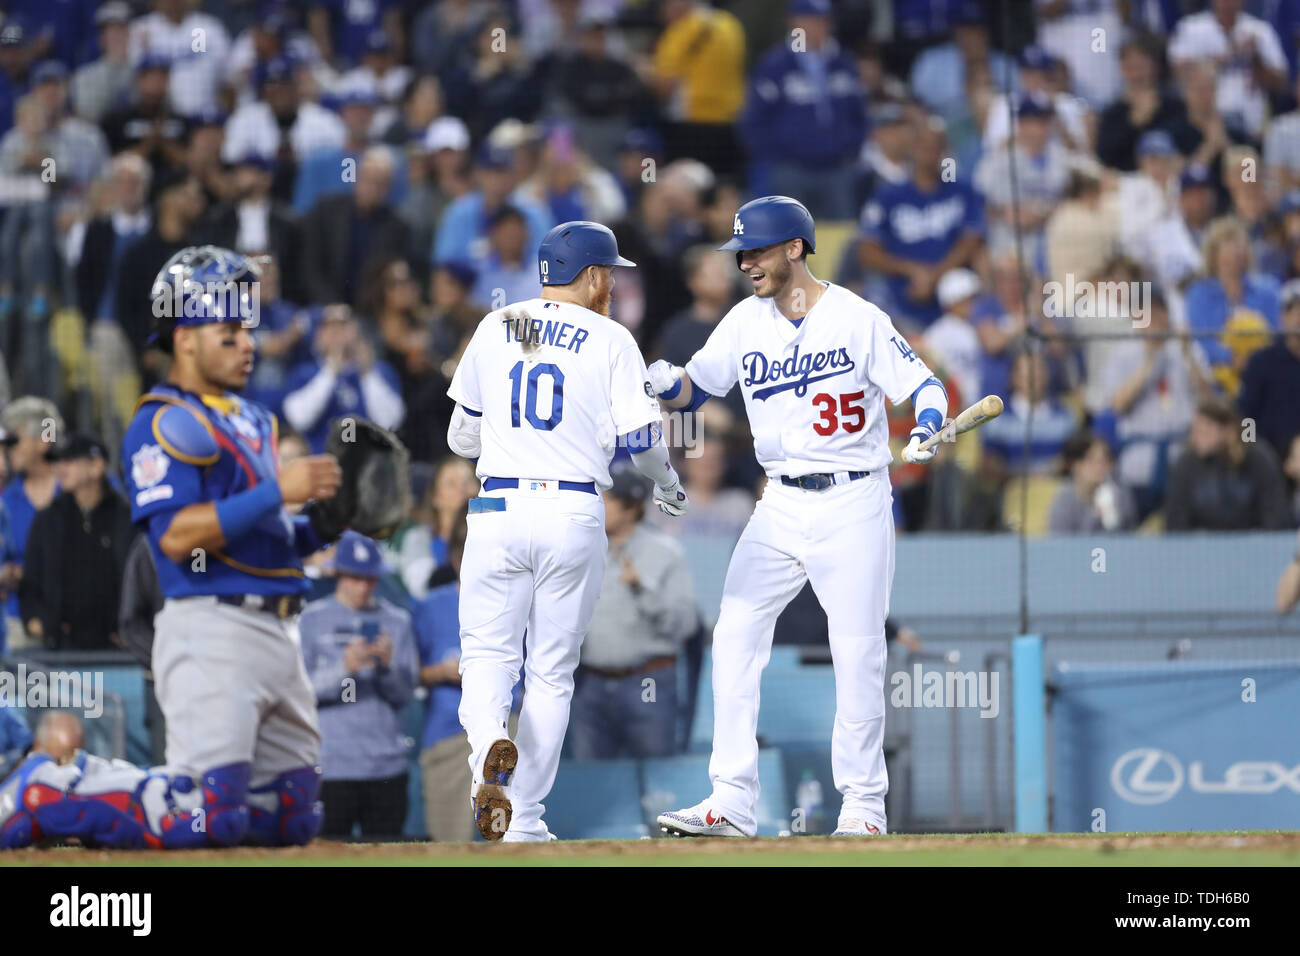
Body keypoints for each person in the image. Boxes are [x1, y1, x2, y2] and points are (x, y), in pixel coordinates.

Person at [1, 246, 348, 852]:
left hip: (277, 627)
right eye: (229, 331)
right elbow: (177, 535)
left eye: (248, 329)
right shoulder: (162, 421)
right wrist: (277, 490)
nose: (248, 344)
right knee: (205, 814)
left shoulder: (254, 420)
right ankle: (52, 789)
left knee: (290, 816)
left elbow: (267, 542)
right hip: (209, 624)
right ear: (184, 338)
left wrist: (330, 521)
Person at [649, 195, 948, 838]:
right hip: (779, 499)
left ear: (794, 248)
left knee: (858, 650)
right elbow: (693, 390)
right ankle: (730, 800)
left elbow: (926, 386)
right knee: (732, 633)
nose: (745, 263)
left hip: (854, 497)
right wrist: (658, 381)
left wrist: (927, 424)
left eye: (755, 250)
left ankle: (864, 808)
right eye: (740, 253)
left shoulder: (856, 317)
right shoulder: (743, 321)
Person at [446, 220, 688, 842]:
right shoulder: (610, 337)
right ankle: (524, 818)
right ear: (589, 275)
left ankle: (488, 753)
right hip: (574, 512)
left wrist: (504, 441)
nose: (612, 282)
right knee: (551, 672)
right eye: (609, 271)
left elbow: (459, 436)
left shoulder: (494, 326)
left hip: (497, 508)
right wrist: (666, 484)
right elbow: (641, 441)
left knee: (487, 657)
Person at [568, 467, 698, 760]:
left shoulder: (666, 553)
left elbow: (685, 624)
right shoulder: (578, 550)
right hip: (590, 683)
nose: (596, 506)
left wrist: (643, 589)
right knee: (591, 779)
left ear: (630, 507)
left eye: (605, 499)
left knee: (657, 781)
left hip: (648, 683)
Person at [299, 531, 418, 841]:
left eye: (370, 579)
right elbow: (300, 694)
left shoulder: (397, 621)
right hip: (332, 765)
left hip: (386, 766)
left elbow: (405, 694)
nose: (363, 587)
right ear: (340, 574)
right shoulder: (310, 620)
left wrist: (388, 666)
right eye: (355, 577)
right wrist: (346, 668)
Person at [20, 434, 136, 650]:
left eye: (70, 461)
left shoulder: (125, 518)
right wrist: (38, 623)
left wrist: (132, 629)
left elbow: (140, 579)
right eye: (59, 462)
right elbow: (31, 581)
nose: (61, 468)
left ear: (96, 466)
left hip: (117, 651)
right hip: (61, 648)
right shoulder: (48, 518)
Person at [281, 303, 405, 453]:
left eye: (343, 326)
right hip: (321, 462)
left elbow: (390, 422)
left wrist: (367, 374)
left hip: (369, 465)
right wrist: (330, 372)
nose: (337, 333)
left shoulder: (381, 371)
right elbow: (300, 420)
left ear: (356, 331)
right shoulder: (303, 373)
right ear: (318, 336)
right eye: (329, 327)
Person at [1165, 398, 1291, 531]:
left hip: (1254, 544)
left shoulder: (1258, 459)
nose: (1195, 437)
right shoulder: (1186, 462)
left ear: (1228, 430)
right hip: (1202, 546)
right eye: (1194, 430)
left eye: (1205, 431)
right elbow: (1176, 520)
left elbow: (1276, 514)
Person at [0, 397, 62, 651]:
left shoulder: (83, 491)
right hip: (15, 623)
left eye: (16, 439)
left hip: (78, 626)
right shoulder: (6, 500)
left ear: (43, 440)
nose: (9, 449)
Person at [1237, 279, 1300, 464]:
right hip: (1269, 463)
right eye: (1292, 310)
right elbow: (1246, 414)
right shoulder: (1261, 362)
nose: (1298, 317)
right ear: (1282, 317)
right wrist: (1248, 453)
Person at [1047, 431, 1138, 533]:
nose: (1099, 467)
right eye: (1091, 460)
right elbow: (1059, 540)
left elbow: (1129, 536)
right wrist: (1094, 516)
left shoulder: (1121, 492)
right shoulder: (1065, 498)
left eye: (1105, 461)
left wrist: (1112, 516)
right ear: (1075, 464)